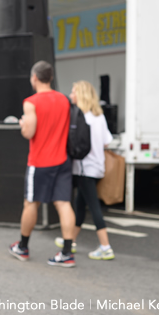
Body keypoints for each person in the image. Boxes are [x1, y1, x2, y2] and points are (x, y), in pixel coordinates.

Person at [9, 61, 77, 267]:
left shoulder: (31, 102)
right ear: (51, 77)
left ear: (35, 78)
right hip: (62, 160)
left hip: (40, 162)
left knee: (31, 203)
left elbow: (29, 132)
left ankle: (23, 246)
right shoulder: (64, 100)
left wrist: (22, 124)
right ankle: (67, 252)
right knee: (64, 204)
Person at [53, 81, 114, 260]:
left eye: (74, 92)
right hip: (95, 166)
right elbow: (107, 141)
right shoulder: (99, 115)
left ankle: (105, 246)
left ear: (81, 95)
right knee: (80, 205)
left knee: (93, 207)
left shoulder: (79, 116)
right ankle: (70, 241)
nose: (71, 95)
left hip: (82, 167)